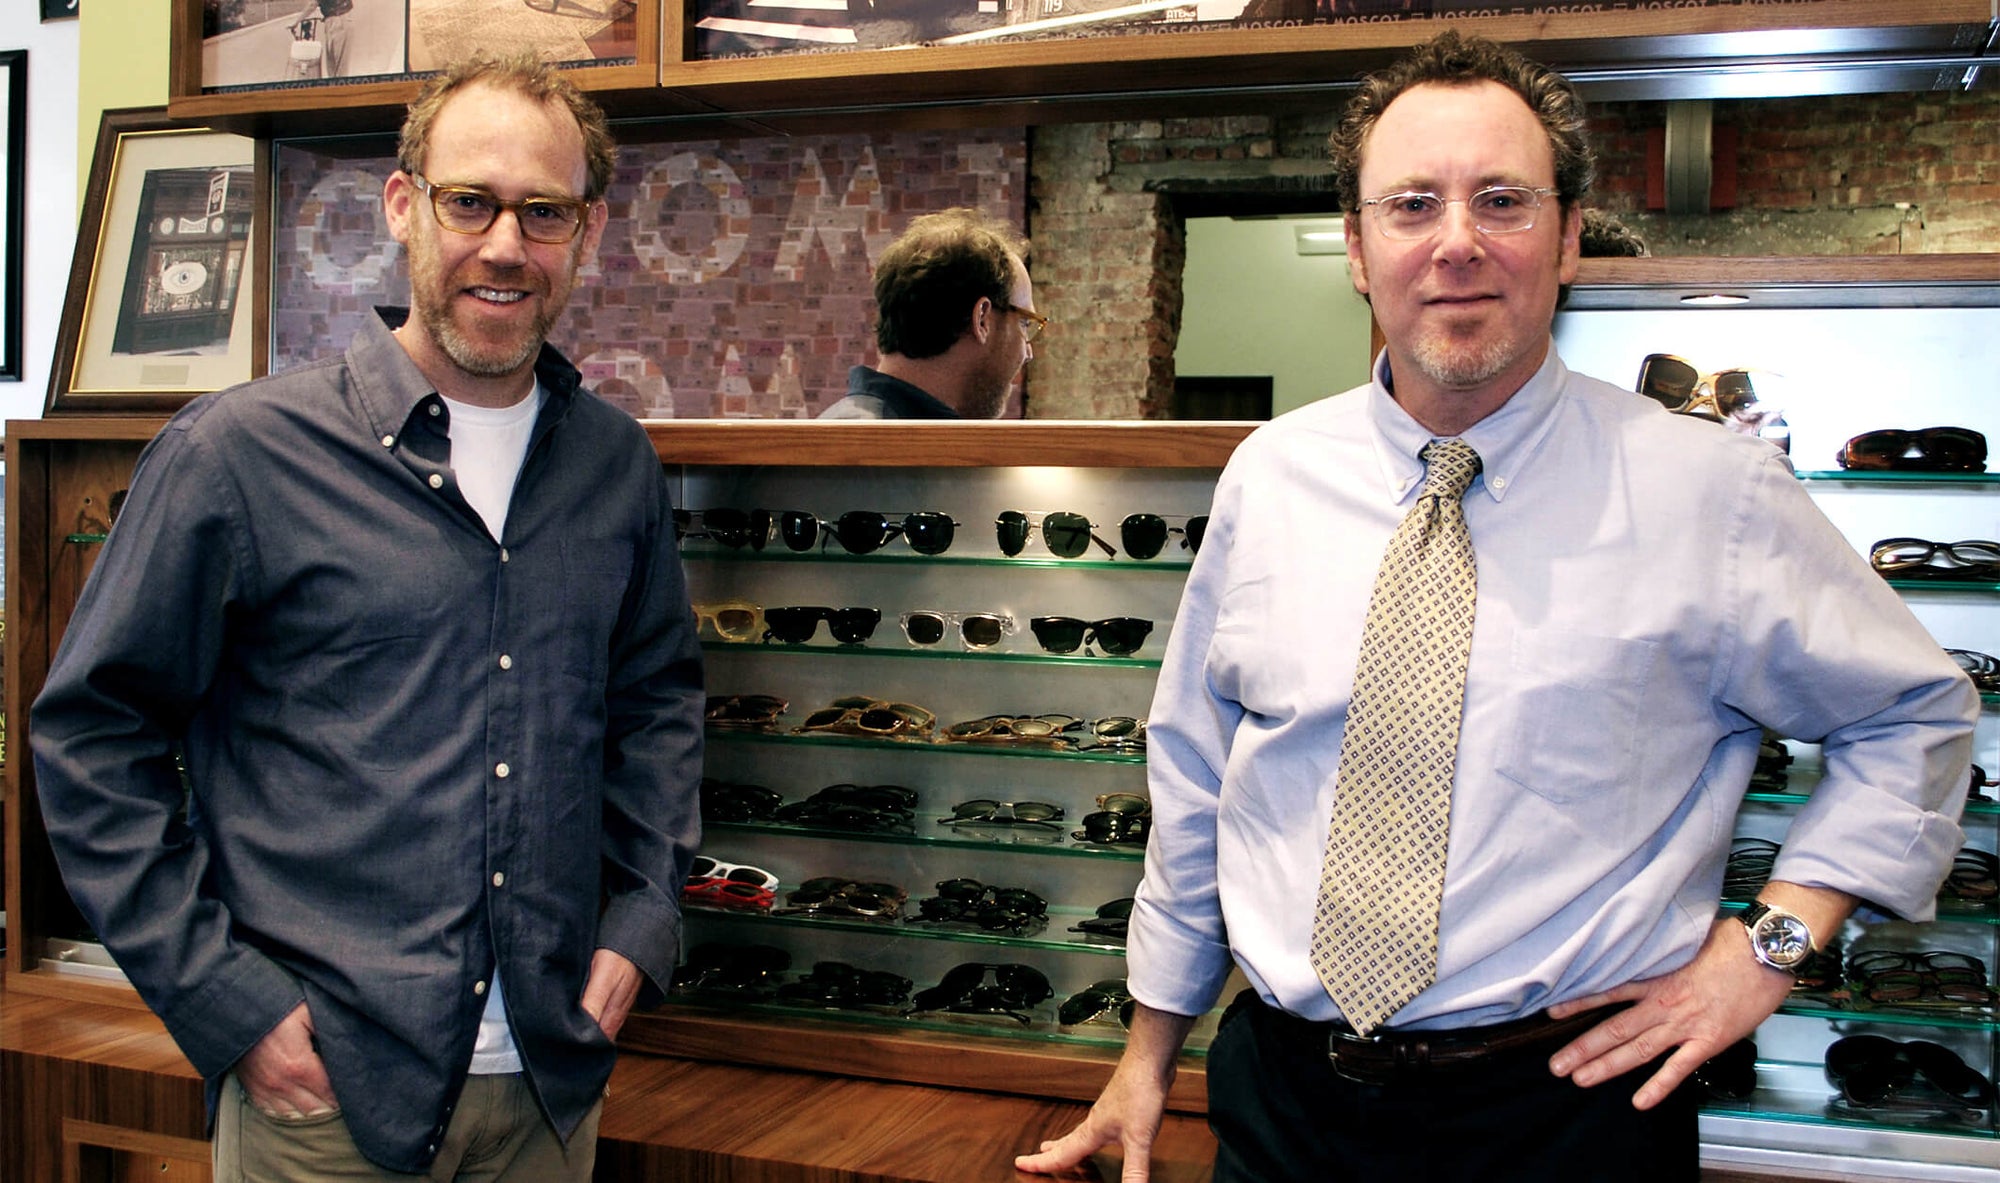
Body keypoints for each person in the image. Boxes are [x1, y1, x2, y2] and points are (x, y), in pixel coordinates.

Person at [1019, 30, 1975, 1182]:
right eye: (1411, 204)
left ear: (1567, 236)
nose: (1457, 242)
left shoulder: (1709, 493)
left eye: (1503, 200)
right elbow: (1197, 778)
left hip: (1564, 1115)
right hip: (1281, 1107)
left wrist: (1764, 951)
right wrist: (1145, 1051)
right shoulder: (1269, 475)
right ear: (1359, 250)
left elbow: (1912, 715)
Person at [31, 52, 704, 1181]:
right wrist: (222, 999)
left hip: (549, 1081)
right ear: (403, 206)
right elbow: (93, 738)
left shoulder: (614, 466)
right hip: (325, 1100)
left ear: (585, 231)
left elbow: (657, 709)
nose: (503, 245)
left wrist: (641, 924)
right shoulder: (236, 458)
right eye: (469, 202)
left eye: (542, 212)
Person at [817, 207, 1043, 419]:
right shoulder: (882, 449)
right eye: (1024, 323)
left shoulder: (846, 430)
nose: (1028, 352)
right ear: (982, 319)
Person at [292, 0, 351, 78]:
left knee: (337, 65)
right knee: (336, 64)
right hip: (338, 18)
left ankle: (338, 87)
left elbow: (312, 5)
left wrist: (296, 22)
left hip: (337, 19)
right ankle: (336, 86)